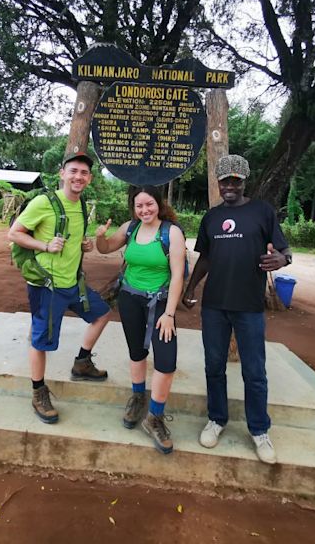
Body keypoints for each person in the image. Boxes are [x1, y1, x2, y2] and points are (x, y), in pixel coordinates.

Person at [182, 155, 292, 464]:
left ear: (244, 182)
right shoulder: (212, 218)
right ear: (218, 183)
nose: (230, 186)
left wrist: (283, 260)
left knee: (254, 372)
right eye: (225, 181)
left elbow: (285, 250)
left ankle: (259, 430)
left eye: (236, 180)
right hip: (215, 306)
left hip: (249, 307)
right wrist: (191, 289)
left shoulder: (262, 212)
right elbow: (205, 258)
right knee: (213, 367)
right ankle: (217, 420)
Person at [8, 152, 111, 424]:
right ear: (62, 174)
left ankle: (82, 362)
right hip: (47, 285)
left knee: (102, 314)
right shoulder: (43, 202)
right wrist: (44, 246)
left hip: (73, 282)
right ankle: (38, 391)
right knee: (41, 340)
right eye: (73, 171)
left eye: (84, 173)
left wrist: (85, 245)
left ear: (89, 179)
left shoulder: (81, 204)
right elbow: (14, 233)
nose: (78, 176)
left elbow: (73, 239)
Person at [95, 185, 186, 454]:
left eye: (149, 204)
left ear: (158, 204)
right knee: (137, 352)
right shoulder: (130, 228)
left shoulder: (171, 233)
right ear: (133, 208)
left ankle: (154, 416)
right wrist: (100, 237)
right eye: (139, 206)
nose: (144, 210)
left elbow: (178, 275)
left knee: (166, 361)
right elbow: (106, 248)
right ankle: (137, 397)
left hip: (160, 302)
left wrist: (170, 314)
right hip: (130, 299)